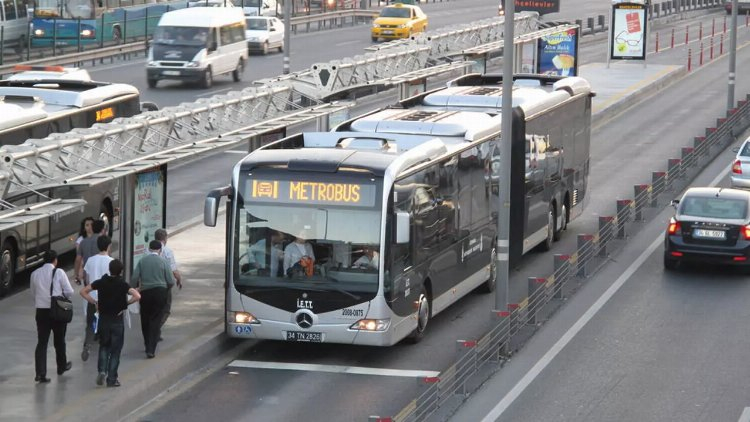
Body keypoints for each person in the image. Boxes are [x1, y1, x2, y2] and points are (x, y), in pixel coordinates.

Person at [80, 259, 140, 388]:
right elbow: (137, 296)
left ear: (109, 269)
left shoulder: (101, 282)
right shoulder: (123, 284)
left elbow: (83, 291)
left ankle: (102, 371)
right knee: (116, 350)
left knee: (104, 346)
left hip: (104, 320)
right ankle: (112, 379)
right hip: (117, 321)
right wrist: (125, 304)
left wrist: (94, 302)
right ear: (121, 271)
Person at [30, 250, 73, 383]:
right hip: (57, 310)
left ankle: (40, 373)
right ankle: (61, 366)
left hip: (41, 311)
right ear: (55, 260)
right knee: (59, 340)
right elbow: (69, 291)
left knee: (42, 342)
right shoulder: (59, 272)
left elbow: (33, 292)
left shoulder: (35, 274)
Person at [131, 240, 175, 358]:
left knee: (145, 319)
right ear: (160, 250)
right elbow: (171, 280)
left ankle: (147, 344)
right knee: (156, 320)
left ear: (149, 249)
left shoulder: (142, 261)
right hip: (160, 292)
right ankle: (151, 349)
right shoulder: (163, 261)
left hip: (145, 292)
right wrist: (166, 289)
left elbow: (134, 277)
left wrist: (134, 288)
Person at [80, 234, 114, 362]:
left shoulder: (90, 260)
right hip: (106, 299)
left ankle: (87, 345)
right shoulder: (111, 262)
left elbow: (87, 279)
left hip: (92, 297)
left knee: (91, 323)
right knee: (105, 324)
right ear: (109, 246)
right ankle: (103, 349)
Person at [78, 219, 106, 361]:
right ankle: (100, 337)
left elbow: (79, 261)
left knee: (90, 318)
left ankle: (87, 344)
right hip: (103, 288)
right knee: (103, 316)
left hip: (90, 285)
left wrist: (79, 276)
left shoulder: (83, 242)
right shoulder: (103, 243)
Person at [154, 228, 182, 331]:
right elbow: (174, 270)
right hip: (163, 285)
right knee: (166, 309)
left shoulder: (148, 250)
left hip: (150, 284)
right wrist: (179, 280)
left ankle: (154, 329)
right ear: (165, 238)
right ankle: (156, 328)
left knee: (154, 309)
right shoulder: (167, 251)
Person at [73, 216, 94, 286]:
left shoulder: (98, 237)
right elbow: (79, 258)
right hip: (87, 269)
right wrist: (77, 274)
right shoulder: (80, 240)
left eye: (91, 224)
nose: (90, 227)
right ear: (84, 228)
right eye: (87, 225)